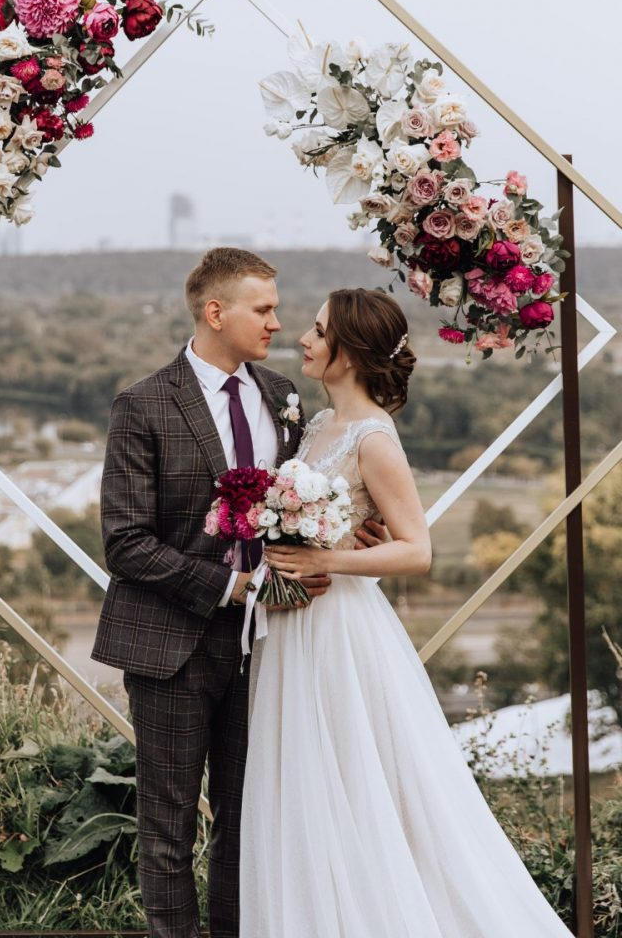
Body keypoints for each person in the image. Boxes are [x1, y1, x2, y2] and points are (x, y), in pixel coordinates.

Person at [239, 286, 574, 938]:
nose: (303, 340)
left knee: (358, 779)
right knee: (304, 787)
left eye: (316, 330)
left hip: (339, 631)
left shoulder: (373, 437)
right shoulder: (313, 426)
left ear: (351, 351)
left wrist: (325, 562)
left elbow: (416, 548)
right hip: (294, 627)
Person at [92, 247, 351, 938]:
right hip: (170, 644)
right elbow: (124, 542)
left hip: (265, 648)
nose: (276, 323)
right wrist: (229, 585)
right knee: (168, 830)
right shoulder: (144, 403)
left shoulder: (281, 400)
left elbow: (296, 506)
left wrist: (342, 540)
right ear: (216, 311)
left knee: (246, 821)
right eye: (263, 309)